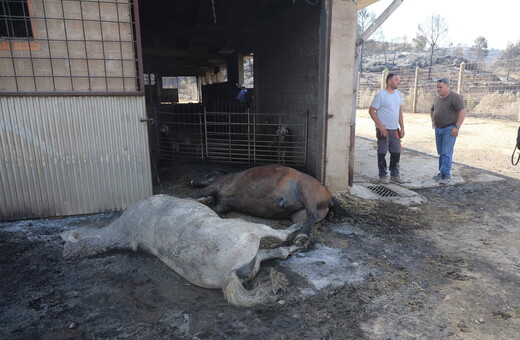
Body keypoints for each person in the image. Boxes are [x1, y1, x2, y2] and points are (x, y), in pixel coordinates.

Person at [368, 73, 405, 184]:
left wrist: (402, 127)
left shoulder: (398, 94)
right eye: (397, 80)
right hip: (383, 129)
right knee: (382, 152)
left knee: (396, 152)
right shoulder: (380, 95)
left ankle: (394, 174)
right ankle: (383, 175)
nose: (399, 82)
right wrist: (380, 125)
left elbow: (399, 112)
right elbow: (371, 111)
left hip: (395, 129)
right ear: (390, 82)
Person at [430, 78, 467, 185]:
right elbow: (432, 110)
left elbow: (463, 111)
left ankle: (446, 174)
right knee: (440, 152)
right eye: (437, 87)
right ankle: (441, 172)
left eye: (440, 87)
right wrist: (433, 121)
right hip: (438, 128)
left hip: (449, 129)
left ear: (448, 86)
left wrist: (457, 127)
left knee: (446, 152)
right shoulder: (437, 98)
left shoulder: (455, 97)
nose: (438, 89)